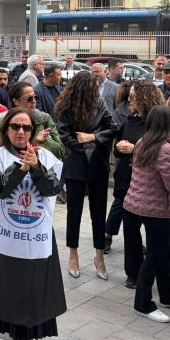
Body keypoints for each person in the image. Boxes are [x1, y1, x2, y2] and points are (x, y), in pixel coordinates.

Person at [0, 108, 66, 340]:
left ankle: (22, 339)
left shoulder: (47, 158)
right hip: (1, 235)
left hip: (35, 237)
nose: (21, 132)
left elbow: (53, 188)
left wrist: (35, 168)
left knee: (30, 287)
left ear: (33, 132)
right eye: (15, 127)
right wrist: (20, 168)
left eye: (26, 128)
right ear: (6, 130)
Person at [123, 106, 170, 323]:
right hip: (156, 210)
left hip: (134, 205)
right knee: (155, 257)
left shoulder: (143, 142)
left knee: (165, 253)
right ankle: (143, 304)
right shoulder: (166, 150)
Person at [55, 70, 117, 280]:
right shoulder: (65, 107)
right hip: (75, 164)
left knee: (98, 212)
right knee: (74, 212)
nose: (97, 90)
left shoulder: (100, 103)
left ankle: (99, 255)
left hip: (98, 164)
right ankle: (73, 254)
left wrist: (92, 137)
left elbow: (113, 128)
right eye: (93, 87)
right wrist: (85, 146)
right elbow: (64, 136)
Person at [104, 82, 164, 272]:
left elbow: (164, 151)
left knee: (155, 234)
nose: (129, 98)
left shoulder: (158, 123)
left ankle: (155, 273)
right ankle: (133, 272)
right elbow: (118, 147)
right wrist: (120, 148)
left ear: (144, 97)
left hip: (149, 185)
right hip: (126, 182)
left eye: (133, 95)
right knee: (130, 232)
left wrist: (134, 149)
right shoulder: (131, 119)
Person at [0, 82, 64, 161]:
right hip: (12, 165)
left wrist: (43, 142)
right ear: (16, 101)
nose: (34, 101)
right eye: (29, 98)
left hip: (41, 166)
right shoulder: (4, 121)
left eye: (35, 97)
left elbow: (61, 151)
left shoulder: (45, 118)